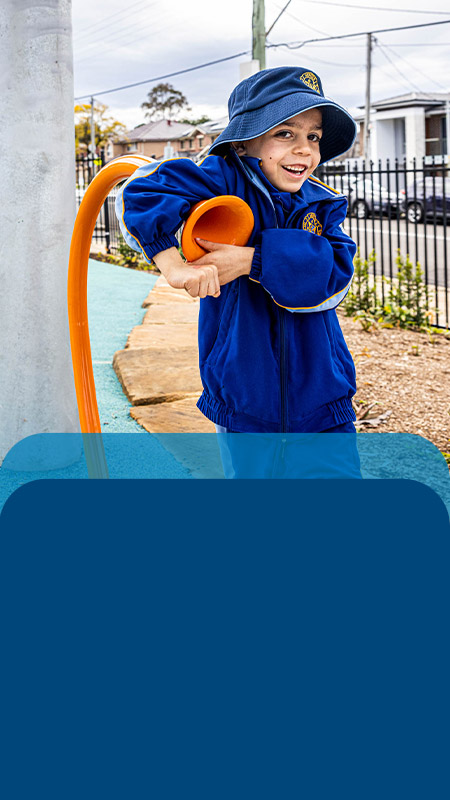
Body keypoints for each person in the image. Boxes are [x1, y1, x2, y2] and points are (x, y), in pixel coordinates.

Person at [116, 66, 361, 478]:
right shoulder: (221, 180)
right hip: (245, 390)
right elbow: (139, 192)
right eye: (285, 133)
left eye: (313, 137)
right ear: (245, 141)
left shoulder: (322, 204)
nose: (304, 149)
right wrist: (172, 265)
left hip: (323, 391)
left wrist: (251, 260)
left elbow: (335, 272)